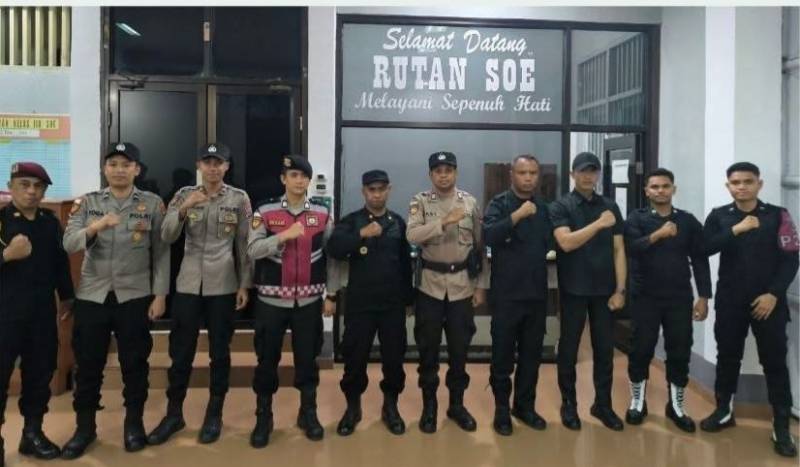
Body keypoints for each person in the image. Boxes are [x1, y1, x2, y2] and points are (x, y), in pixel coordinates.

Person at [61, 142, 170, 458]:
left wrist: (160, 294)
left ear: (137, 169)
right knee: (88, 365)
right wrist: (96, 226)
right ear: (104, 169)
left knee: (134, 364)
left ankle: (133, 425)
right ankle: (84, 429)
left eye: (126, 164)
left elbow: (161, 252)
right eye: (113, 164)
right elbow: (69, 244)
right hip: (92, 295)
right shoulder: (88, 203)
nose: (119, 170)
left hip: (134, 295)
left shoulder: (152, 204)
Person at [147, 143, 252, 446]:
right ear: (199, 166)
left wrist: (245, 284)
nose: (213, 168)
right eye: (208, 163)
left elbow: (244, 244)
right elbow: (167, 236)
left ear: (227, 167)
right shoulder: (183, 194)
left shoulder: (238, 198)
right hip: (189, 284)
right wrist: (184, 208)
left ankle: (214, 413)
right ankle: (174, 414)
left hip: (223, 284)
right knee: (181, 352)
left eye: (219, 163)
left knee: (220, 353)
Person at [700, 162, 799, 457]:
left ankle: (781, 425)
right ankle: (723, 411)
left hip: (768, 302)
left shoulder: (778, 215)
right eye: (735, 182)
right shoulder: (719, 216)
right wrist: (736, 230)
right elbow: (703, 248)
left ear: (759, 184)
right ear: (728, 186)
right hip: (731, 300)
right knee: (728, 357)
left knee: (775, 362)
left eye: (747, 181)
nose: (741, 186)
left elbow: (791, 258)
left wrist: (774, 294)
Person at [247, 155, 334, 447]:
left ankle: (308, 413)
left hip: (309, 301)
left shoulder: (322, 213)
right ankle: (264, 417)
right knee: (266, 361)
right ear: (283, 179)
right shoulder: (264, 210)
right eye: (293, 175)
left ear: (309, 181)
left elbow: (332, 256)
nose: (299, 180)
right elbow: (252, 250)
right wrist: (283, 236)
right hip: (271, 301)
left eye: (303, 176)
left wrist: (332, 294)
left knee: (307, 361)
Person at [406, 151, 489, 434]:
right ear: (431, 175)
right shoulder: (420, 201)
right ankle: (429, 407)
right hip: (429, 286)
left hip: (461, 286)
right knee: (428, 350)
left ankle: (457, 405)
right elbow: (412, 235)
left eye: (448, 170)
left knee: (459, 350)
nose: (443, 175)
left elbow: (480, 248)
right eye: (438, 171)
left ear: (456, 173)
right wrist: (443, 223)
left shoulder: (470, 202)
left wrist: (481, 286)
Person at [326, 169, 413, 437]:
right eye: (372, 190)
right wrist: (361, 234)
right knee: (354, 358)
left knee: (394, 359)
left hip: (392, 305)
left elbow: (405, 265)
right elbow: (334, 248)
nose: (377, 194)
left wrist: (409, 300)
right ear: (364, 192)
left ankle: (391, 407)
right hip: (360, 304)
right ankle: (353, 408)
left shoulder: (398, 223)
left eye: (381, 189)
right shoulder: (352, 221)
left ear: (389, 190)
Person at [623, 168, 711, 432]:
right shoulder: (636, 218)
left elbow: (700, 259)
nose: (660, 191)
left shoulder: (687, 221)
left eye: (665, 186)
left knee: (680, 350)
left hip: (679, 297)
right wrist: (657, 235)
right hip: (645, 297)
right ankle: (637, 402)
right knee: (641, 349)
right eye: (655, 187)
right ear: (646, 191)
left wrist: (704, 296)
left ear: (674, 189)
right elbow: (631, 248)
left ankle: (676, 406)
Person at [0, 163, 74, 465]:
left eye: (38, 186)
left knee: (40, 374)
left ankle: (32, 434)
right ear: (11, 186)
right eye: (24, 184)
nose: (31, 191)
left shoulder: (49, 222)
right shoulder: (1, 220)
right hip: (5, 314)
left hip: (42, 313)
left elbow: (60, 263)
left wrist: (67, 297)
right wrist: (6, 255)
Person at [549, 151, 626, 431]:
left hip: (605, 291)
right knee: (569, 349)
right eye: (582, 171)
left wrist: (620, 289)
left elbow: (619, 249)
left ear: (598, 174)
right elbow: (566, 243)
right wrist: (598, 224)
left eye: (592, 171)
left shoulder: (610, 206)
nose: (587, 176)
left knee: (604, 350)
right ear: (573, 174)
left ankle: (602, 404)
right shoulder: (561, 206)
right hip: (574, 289)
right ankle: (569, 404)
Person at [483, 154, 553, 436]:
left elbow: (551, 242)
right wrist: (517, 216)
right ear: (512, 174)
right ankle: (501, 409)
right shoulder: (499, 204)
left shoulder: (545, 207)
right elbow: (489, 236)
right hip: (506, 295)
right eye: (523, 172)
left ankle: (524, 406)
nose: (528, 178)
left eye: (533, 173)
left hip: (535, 294)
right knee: (502, 357)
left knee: (531, 357)